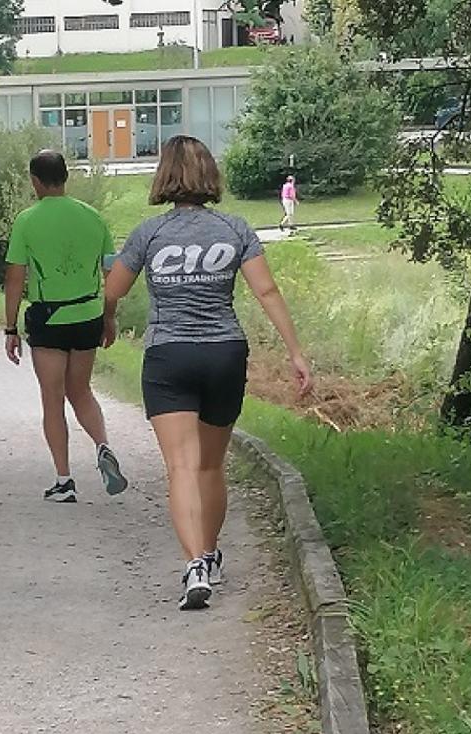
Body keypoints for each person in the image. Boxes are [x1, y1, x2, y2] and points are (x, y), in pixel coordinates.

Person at [103, 136, 311, 610]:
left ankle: (194, 563)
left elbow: (112, 289)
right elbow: (268, 291)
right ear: (209, 176)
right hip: (223, 353)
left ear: (164, 178)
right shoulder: (235, 229)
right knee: (211, 464)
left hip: (168, 355)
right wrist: (296, 352)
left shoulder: (148, 235)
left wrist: (110, 316)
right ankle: (212, 554)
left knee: (180, 467)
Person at [3, 150, 127, 503]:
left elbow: (15, 278)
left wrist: (10, 328)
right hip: (88, 315)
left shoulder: (27, 220)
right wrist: (109, 316)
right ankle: (103, 446)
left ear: (35, 181)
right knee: (81, 390)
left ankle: (64, 480)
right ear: (65, 177)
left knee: (52, 399)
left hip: (49, 319)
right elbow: (111, 274)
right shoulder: (93, 217)